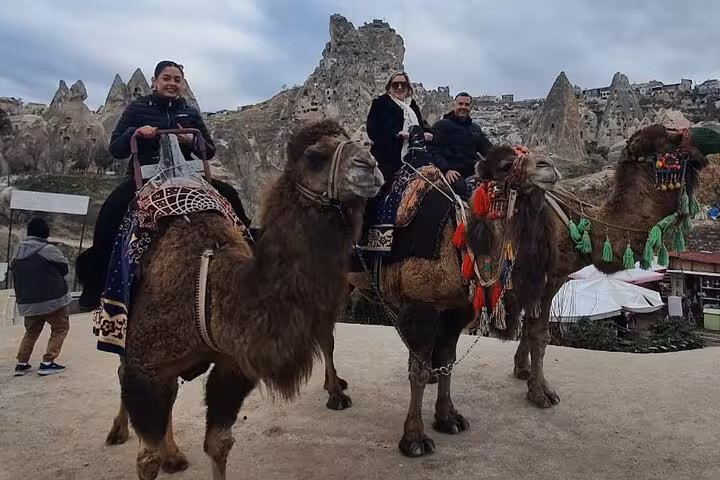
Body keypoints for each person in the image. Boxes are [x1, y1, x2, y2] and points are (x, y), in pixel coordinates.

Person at [75, 60, 251, 311]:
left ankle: (251, 253)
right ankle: (96, 282)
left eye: (177, 79)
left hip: (188, 174)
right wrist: (136, 132)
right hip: (145, 176)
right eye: (167, 78)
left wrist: (190, 138)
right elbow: (116, 147)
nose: (172, 83)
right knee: (110, 212)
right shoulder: (137, 108)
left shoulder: (188, 112)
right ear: (155, 81)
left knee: (230, 195)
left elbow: (208, 150)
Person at [11, 218, 70, 376]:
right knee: (60, 328)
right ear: (46, 232)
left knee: (31, 332)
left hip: (27, 303)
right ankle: (48, 362)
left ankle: (22, 363)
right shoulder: (48, 249)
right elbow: (64, 269)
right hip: (52, 302)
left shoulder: (18, 250)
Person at [366, 71, 434, 187]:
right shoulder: (381, 103)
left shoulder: (412, 107)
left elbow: (420, 126)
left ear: (408, 88)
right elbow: (373, 131)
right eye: (395, 84)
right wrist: (397, 136)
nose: (399, 87)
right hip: (386, 161)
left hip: (413, 160)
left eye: (403, 84)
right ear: (389, 87)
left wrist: (427, 133)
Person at [431, 92, 493, 197]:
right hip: (452, 172)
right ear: (454, 105)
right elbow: (434, 149)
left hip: (473, 172)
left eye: (466, 105)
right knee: (461, 190)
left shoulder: (475, 129)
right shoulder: (442, 125)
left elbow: (488, 148)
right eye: (460, 104)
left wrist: (508, 153)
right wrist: (446, 169)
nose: (463, 107)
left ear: (470, 107)